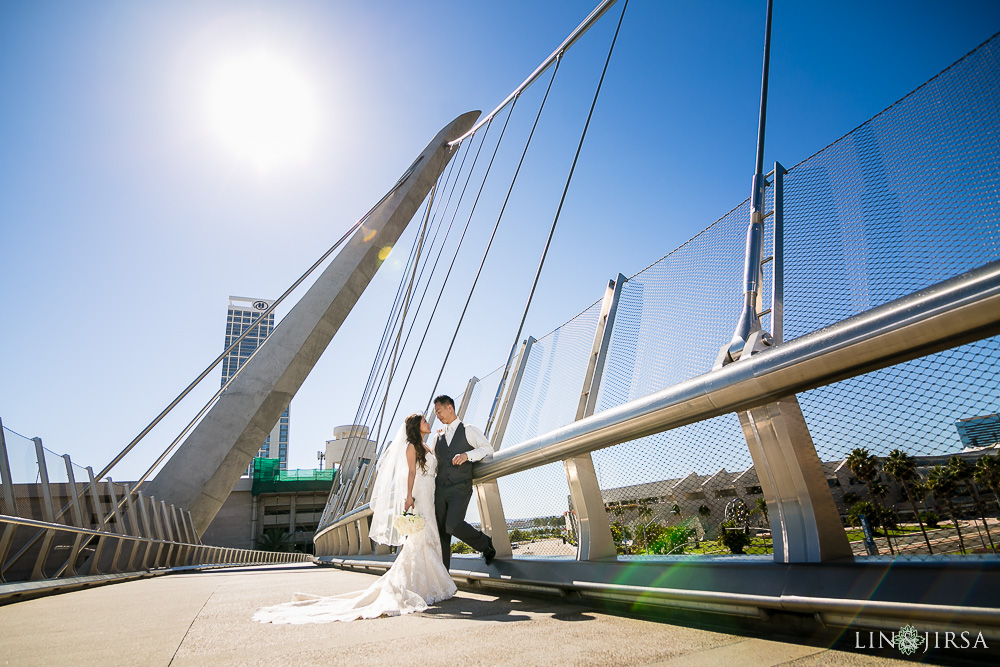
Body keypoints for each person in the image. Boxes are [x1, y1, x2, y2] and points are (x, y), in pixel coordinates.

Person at [253, 413, 456, 624]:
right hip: (420, 495)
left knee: (427, 536)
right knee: (420, 537)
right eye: (424, 421)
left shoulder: (426, 446)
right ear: (416, 427)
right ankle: (425, 584)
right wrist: (407, 497)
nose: (428, 422)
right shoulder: (411, 447)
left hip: (430, 493)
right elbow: (411, 473)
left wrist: (441, 435)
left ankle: (430, 582)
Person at [433, 395, 497, 569]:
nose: (437, 416)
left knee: (453, 525)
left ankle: (485, 544)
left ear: (450, 408)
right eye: (435, 413)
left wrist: (467, 455)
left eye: (439, 411)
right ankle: (443, 577)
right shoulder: (437, 437)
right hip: (439, 489)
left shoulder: (468, 429)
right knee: (442, 533)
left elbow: (488, 449)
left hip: (460, 486)